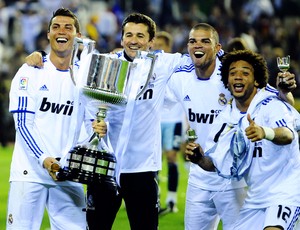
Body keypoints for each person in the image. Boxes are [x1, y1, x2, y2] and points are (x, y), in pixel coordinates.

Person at [25, 13, 190, 230]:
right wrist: (40, 57)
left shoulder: (162, 64)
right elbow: (88, 104)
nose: (133, 40)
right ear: (121, 39)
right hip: (103, 166)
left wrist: (220, 52)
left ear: (151, 42)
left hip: (141, 168)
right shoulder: (108, 64)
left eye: (140, 36)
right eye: (128, 35)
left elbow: (200, 58)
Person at [164, 23, 296, 230]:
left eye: (205, 41)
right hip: (201, 173)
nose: (197, 45)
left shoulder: (236, 75)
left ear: (218, 48)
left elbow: (279, 101)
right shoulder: (182, 79)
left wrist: (285, 92)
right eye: (192, 41)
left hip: (236, 178)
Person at [6, 8, 99, 230]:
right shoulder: (30, 71)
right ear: (48, 34)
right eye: (56, 27)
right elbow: (23, 125)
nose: (62, 31)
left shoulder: (85, 78)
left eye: (68, 27)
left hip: (68, 174)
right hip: (30, 173)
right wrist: (45, 160)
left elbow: (88, 125)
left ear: (77, 36)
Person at [152, 31, 186, 213]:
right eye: (156, 46)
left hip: (173, 121)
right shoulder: (149, 68)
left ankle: (172, 200)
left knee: (172, 158)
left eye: (162, 46)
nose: (158, 49)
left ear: (169, 48)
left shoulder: (176, 68)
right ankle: (154, 199)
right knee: (154, 160)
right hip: (155, 121)